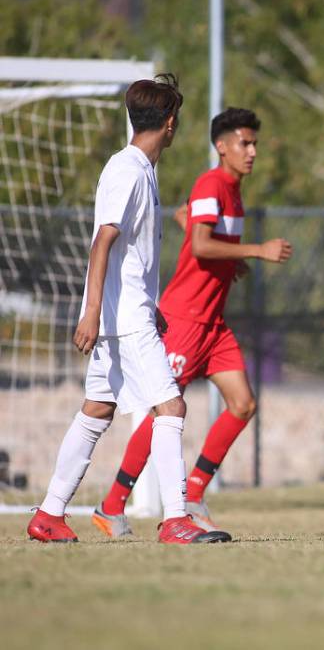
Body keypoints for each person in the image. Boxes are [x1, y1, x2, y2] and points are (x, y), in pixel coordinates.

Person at [27, 75, 229, 544]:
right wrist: (93, 312)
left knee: (97, 409)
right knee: (171, 405)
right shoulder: (128, 170)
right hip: (121, 319)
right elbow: (103, 241)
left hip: (130, 312)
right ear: (172, 124)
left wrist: (145, 304)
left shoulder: (141, 169)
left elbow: (127, 256)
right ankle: (175, 517)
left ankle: (50, 514)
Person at [91, 108, 292, 538]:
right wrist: (255, 251)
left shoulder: (234, 191)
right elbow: (201, 244)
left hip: (214, 325)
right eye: (244, 142)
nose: (252, 151)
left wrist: (230, 263)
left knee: (243, 404)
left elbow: (188, 221)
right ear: (222, 146)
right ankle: (112, 505)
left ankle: (195, 493)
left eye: (255, 142)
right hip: (184, 319)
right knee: (164, 412)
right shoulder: (212, 182)